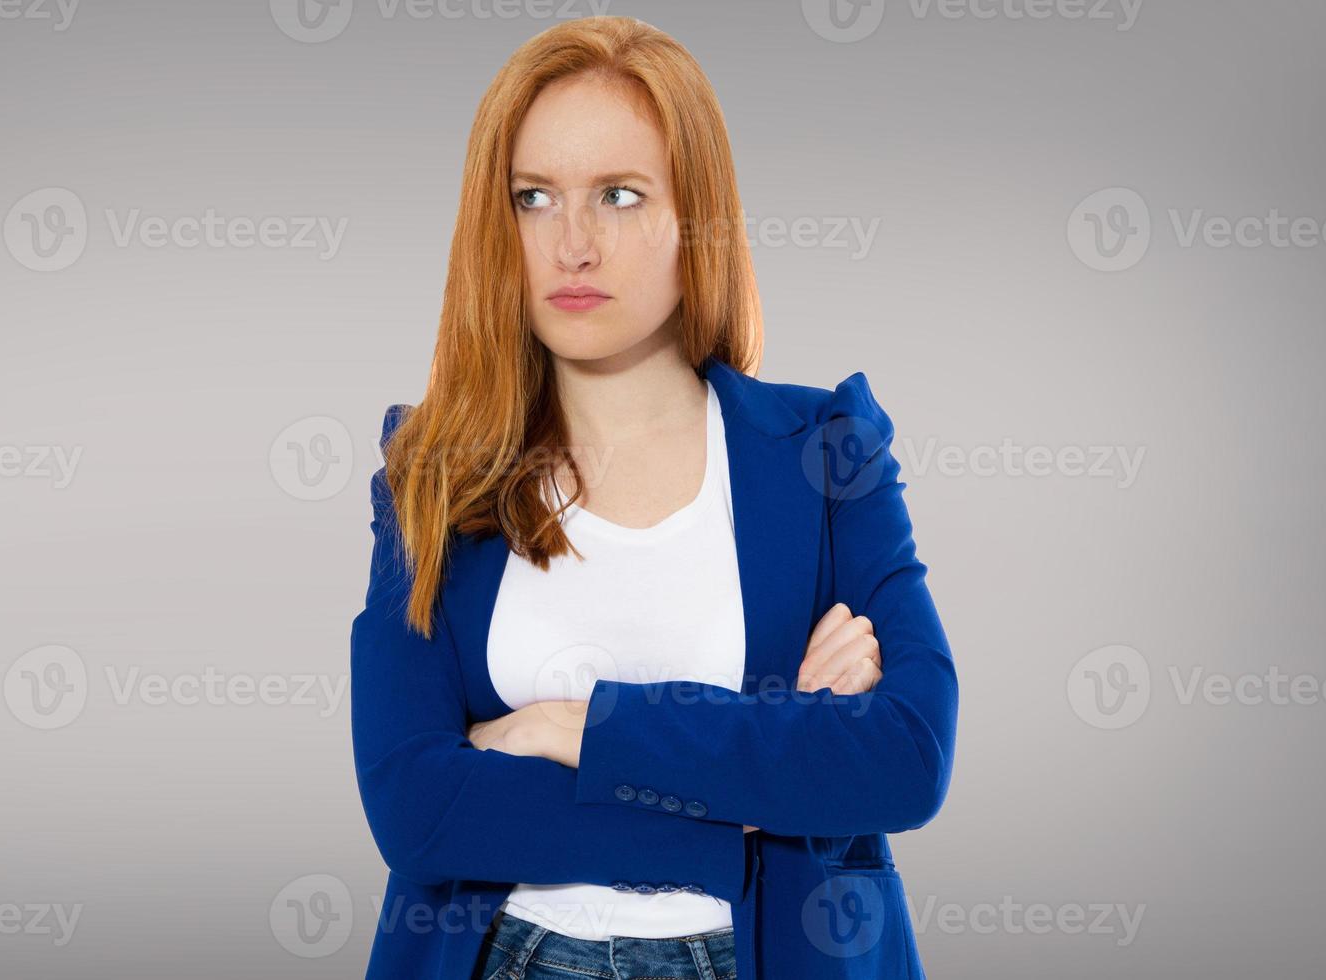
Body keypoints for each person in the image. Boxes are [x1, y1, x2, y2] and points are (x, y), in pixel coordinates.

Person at [350, 16, 957, 979]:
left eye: (620, 196)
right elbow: (419, 810)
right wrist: (756, 793)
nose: (572, 245)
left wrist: (578, 729)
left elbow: (905, 757)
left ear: (696, 217)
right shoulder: (432, 475)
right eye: (533, 197)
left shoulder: (824, 453)